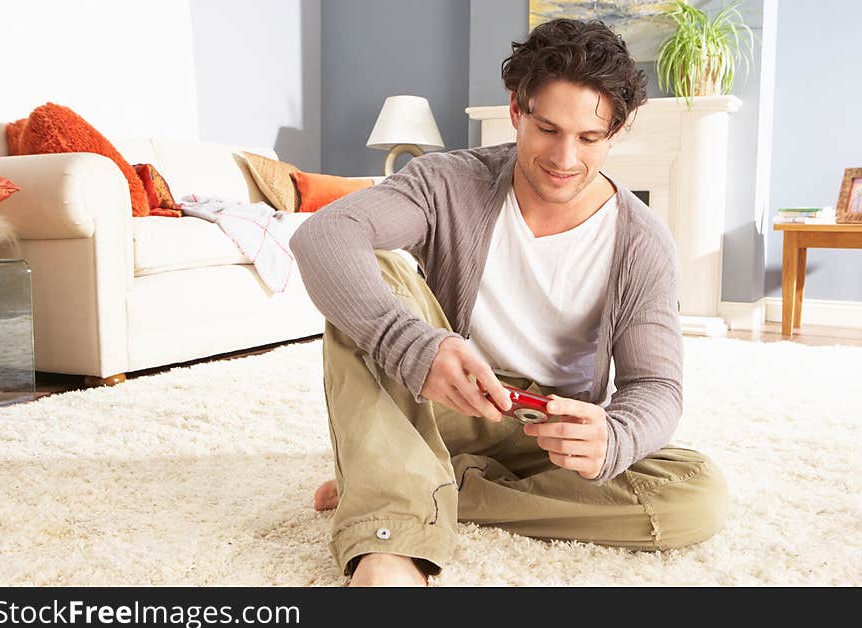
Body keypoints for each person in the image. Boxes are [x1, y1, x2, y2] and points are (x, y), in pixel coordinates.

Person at [289, 18, 728, 587]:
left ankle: (415, 487)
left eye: (589, 138)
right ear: (517, 110)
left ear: (616, 133)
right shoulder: (448, 182)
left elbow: (656, 388)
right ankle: (389, 541)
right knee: (367, 267)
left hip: (546, 435)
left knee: (694, 496)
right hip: (440, 399)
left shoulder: (642, 241)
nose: (565, 158)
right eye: (547, 128)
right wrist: (417, 348)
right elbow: (324, 235)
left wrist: (613, 437)